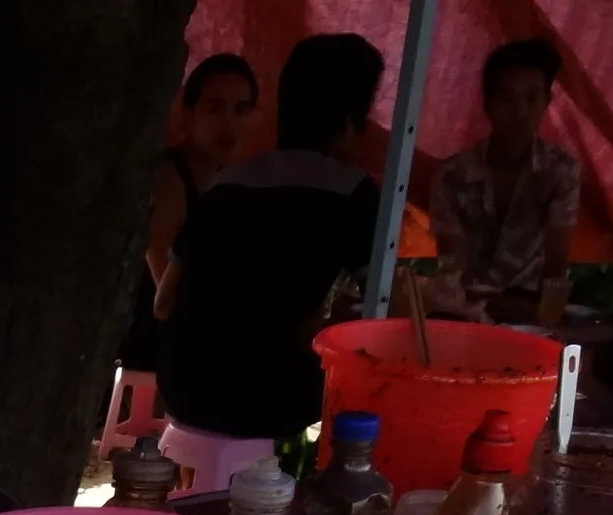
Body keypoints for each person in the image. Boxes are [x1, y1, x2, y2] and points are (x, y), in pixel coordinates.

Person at [158, 33, 383, 451]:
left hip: (178, 387)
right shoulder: (352, 191)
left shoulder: (228, 182)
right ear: (351, 121)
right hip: (268, 400)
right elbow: (383, 316)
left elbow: (164, 302)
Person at [121, 53, 259, 370]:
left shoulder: (230, 177)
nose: (229, 123)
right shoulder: (167, 179)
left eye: (241, 110)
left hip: (198, 326)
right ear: (188, 113)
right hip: (154, 337)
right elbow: (165, 299)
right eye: (215, 108)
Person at [431, 37, 579, 323]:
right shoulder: (452, 175)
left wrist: (545, 314)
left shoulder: (561, 171)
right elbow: (452, 263)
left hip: (529, 312)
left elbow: (555, 265)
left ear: (547, 101)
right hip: (464, 310)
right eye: (508, 99)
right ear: (488, 104)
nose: (520, 111)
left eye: (532, 98)